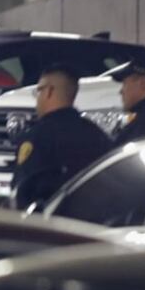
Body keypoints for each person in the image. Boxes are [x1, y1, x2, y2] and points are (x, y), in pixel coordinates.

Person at [13, 63, 111, 210]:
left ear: (49, 92)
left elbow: (22, 194)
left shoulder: (36, 138)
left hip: (49, 226)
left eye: (38, 91)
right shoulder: (96, 134)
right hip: (91, 225)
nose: (37, 98)